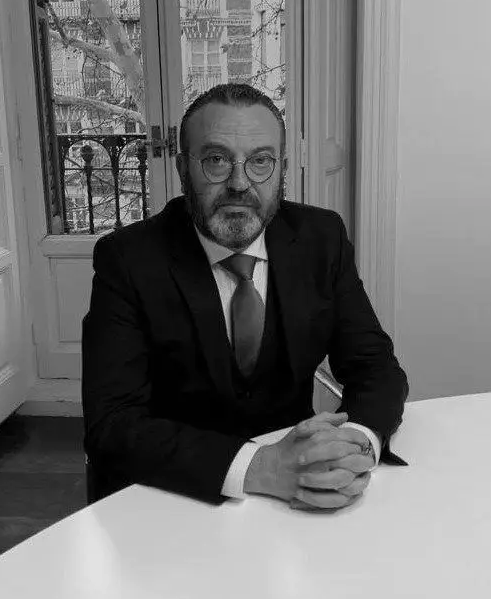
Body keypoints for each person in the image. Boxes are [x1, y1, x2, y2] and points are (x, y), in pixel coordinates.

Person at [81, 83, 409, 511]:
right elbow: (112, 424)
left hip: (295, 498)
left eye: (260, 161)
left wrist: (356, 443)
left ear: (281, 168)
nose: (239, 183)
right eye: (216, 160)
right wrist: (260, 467)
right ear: (182, 168)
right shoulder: (127, 259)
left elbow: (375, 367)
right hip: (171, 496)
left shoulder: (321, 239)